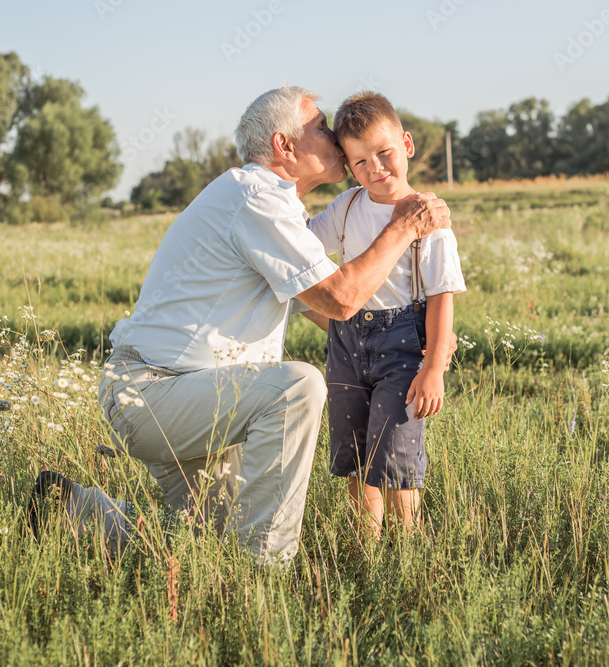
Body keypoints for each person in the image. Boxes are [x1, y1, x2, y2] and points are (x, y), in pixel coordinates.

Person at [27, 85, 451, 563]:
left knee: (205, 545)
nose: (333, 136)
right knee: (300, 387)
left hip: (195, 398)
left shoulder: (274, 209)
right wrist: (403, 225)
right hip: (157, 393)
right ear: (284, 145)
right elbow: (341, 300)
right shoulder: (256, 199)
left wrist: (416, 346)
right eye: (319, 128)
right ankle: (265, 572)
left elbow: (329, 314)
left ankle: (74, 508)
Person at [307, 92, 465, 536]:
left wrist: (433, 366)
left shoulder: (428, 218)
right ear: (348, 167)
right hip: (345, 345)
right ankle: (368, 550)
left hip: (402, 348)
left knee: (395, 454)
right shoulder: (348, 207)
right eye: (359, 162)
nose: (375, 168)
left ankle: (406, 551)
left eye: (384, 153)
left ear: (407, 144)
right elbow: (302, 244)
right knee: (355, 456)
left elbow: (441, 297)